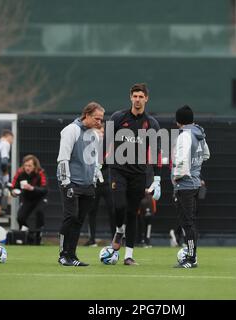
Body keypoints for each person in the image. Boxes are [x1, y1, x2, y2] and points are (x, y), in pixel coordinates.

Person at [108, 83, 162, 266]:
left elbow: (156, 153)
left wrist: (157, 179)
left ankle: (128, 256)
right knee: (119, 206)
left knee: (133, 213)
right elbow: (105, 141)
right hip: (118, 171)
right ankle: (118, 230)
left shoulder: (152, 123)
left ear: (146, 98)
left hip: (138, 174)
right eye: (135, 96)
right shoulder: (118, 117)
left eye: (141, 96)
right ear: (130, 97)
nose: (137, 99)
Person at [57, 102, 104, 266]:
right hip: (71, 182)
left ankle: (72, 255)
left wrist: (94, 180)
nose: (100, 122)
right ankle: (63, 254)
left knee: (79, 220)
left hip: (87, 185)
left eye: (101, 119)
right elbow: (63, 158)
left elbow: (95, 160)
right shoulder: (71, 130)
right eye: (97, 119)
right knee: (70, 217)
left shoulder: (95, 135)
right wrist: (66, 183)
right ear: (87, 115)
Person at [171, 105, 210, 268]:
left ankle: (191, 258)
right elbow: (206, 154)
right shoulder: (199, 133)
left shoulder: (185, 135)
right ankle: (191, 255)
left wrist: (175, 177)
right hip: (195, 183)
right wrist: (196, 170)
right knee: (190, 222)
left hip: (185, 185)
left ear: (178, 121)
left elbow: (182, 161)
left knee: (187, 223)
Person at [10, 154, 48, 245]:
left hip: (40, 198)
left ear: (35, 166)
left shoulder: (40, 172)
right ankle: (26, 235)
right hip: (27, 199)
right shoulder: (20, 173)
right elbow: (13, 187)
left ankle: (39, 236)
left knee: (39, 212)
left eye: (30, 166)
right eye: (26, 165)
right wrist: (13, 193)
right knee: (20, 217)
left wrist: (32, 188)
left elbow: (45, 189)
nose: (27, 168)